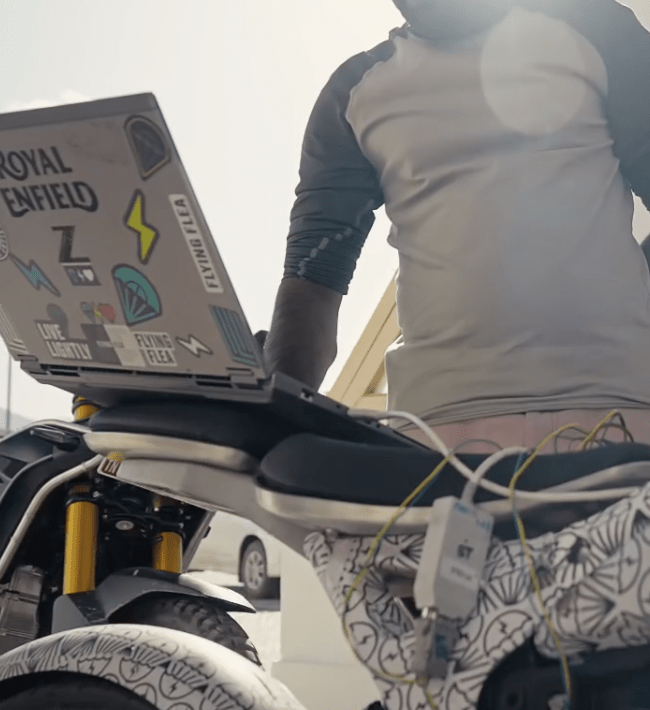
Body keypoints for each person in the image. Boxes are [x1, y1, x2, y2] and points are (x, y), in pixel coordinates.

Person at [264, 0, 650, 454]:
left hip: (623, 410)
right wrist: (271, 423)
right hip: (437, 432)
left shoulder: (596, 27)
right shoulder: (350, 94)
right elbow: (311, 281)